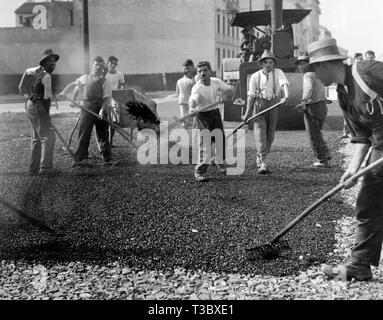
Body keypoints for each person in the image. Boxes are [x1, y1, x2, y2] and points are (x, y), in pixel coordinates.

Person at [307, 38, 383, 281]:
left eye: (314, 69)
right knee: (367, 203)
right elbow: (362, 138)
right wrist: (352, 170)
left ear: (325, 65)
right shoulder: (343, 94)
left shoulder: (366, 71)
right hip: (380, 152)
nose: (314, 76)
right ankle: (360, 264)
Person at [243, 49, 289, 174]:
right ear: (262, 64)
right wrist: (247, 114)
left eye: (271, 62)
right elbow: (251, 96)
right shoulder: (254, 77)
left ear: (274, 64)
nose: (269, 65)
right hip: (259, 106)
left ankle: (261, 156)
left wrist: (286, 96)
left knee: (270, 135)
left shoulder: (278, 72)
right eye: (266, 62)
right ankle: (263, 162)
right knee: (260, 134)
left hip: (273, 105)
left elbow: (284, 84)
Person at [189, 61, 232, 182]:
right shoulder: (197, 87)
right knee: (206, 146)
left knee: (220, 141)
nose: (202, 73)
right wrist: (192, 107)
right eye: (200, 71)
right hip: (202, 116)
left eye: (205, 70)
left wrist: (225, 94)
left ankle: (218, 162)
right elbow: (193, 99)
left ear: (210, 71)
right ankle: (199, 171)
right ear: (197, 73)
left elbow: (228, 89)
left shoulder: (216, 81)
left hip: (214, 114)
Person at [71, 56, 112, 167]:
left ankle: (106, 157)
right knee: (84, 132)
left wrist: (102, 110)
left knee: (103, 132)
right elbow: (76, 88)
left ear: (103, 67)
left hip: (101, 109)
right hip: (87, 108)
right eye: (96, 65)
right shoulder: (84, 78)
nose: (98, 67)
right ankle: (80, 157)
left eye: (100, 65)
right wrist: (73, 100)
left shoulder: (105, 81)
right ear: (93, 65)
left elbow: (107, 98)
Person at [24, 49, 59, 176]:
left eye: (54, 60)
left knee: (36, 138)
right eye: (50, 61)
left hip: (30, 105)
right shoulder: (48, 76)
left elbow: (28, 84)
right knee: (48, 136)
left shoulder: (35, 71)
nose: (53, 63)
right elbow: (47, 98)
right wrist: (46, 116)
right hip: (39, 106)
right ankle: (46, 169)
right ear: (44, 62)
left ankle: (33, 170)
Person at [295, 54, 331, 167]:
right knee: (318, 133)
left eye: (302, 64)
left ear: (308, 64)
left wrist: (303, 101)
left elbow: (309, 88)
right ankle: (326, 154)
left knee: (313, 135)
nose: (300, 66)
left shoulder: (307, 76)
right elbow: (321, 88)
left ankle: (321, 159)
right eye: (299, 64)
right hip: (322, 106)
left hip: (312, 107)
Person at [105, 55, 125, 146]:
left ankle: (110, 140)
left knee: (114, 120)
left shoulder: (119, 74)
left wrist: (120, 92)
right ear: (107, 64)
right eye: (111, 63)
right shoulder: (105, 74)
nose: (113, 65)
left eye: (115, 64)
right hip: (105, 97)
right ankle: (105, 141)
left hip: (115, 97)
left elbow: (122, 84)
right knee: (105, 119)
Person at [176, 59, 196, 128]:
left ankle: (184, 124)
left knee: (183, 113)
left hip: (181, 100)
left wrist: (180, 97)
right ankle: (190, 124)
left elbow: (177, 92)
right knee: (190, 114)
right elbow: (194, 93)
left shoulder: (179, 81)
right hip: (189, 100)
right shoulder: (191, 82)